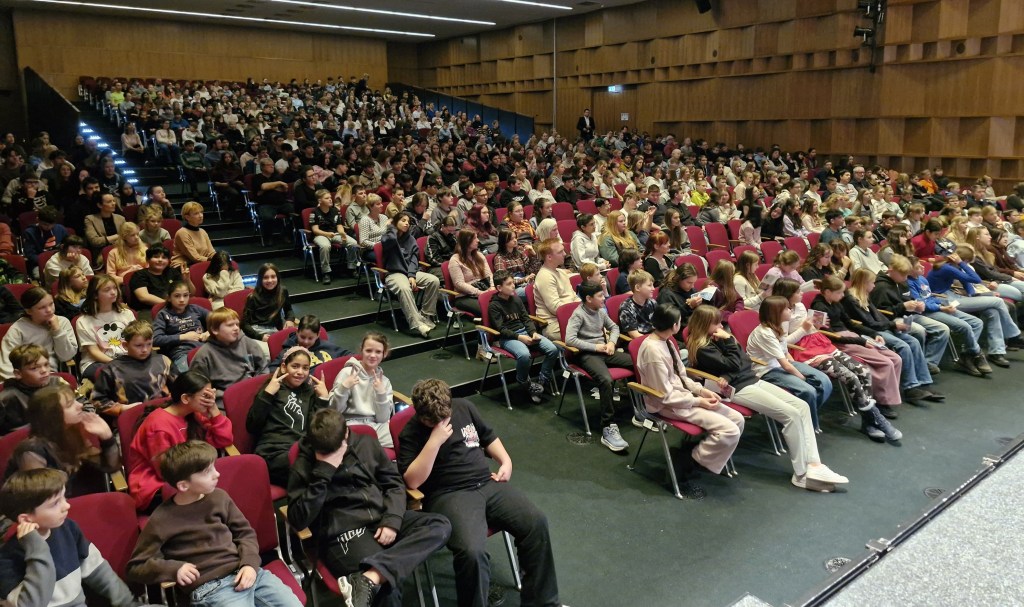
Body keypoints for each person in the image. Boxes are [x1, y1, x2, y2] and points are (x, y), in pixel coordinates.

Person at [398, 378, 565, 607]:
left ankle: (543, 602)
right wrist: (434, 442)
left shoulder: (464, 406)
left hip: (486, 483)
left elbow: (488, 437)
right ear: (421, 416)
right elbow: (413, 481)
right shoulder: (411, 431)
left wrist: (505, 461)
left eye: (446, 416)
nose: (443, 422)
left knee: (536, 523)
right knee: (471, 552)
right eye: (434, 421)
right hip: (449, 495)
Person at [288, 409, 451, 607]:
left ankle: (369, 577)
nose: (330, 455)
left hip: (380, 517)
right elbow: (298, 519)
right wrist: (323, 472)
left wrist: (392, 520)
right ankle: (375, 577)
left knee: (439, 525)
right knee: (387, 589)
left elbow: (394, 484)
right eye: (324, 452)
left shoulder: (366, 444)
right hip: (344, 533)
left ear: (346, 435)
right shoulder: (304, 464)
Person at [685, 305, 849, 490]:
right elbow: (733, 363)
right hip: (737, 389)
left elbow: (744, 361)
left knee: (801, 407)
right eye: (716, 324)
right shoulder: (702, 347)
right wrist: (730, 342)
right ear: (704, 324)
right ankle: (801, 474)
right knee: (791, 415)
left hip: (750, 379)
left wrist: (730, 356)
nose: (721, 327)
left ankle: (814, 464)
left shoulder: (717, 338)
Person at [127, 441, 303, 607]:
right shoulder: (161, 519)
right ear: (183, 486)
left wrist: (249, 563)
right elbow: (136, 566)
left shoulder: (219, 497)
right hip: (211, 588)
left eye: (213, 467)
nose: (216, 474)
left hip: (248, 572)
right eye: (206, 471)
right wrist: (174, 569)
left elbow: (245, 534)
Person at [770, 279, 900, 441]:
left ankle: (869, 422)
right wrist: (804, 329)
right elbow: (784, 342)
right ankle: (876, 419)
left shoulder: (801, 306)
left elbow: (811, 328)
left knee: (863, 371)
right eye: (797, 292)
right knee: (850, 377)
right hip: (803, 351)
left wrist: (816, 325)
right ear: (787, 295)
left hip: (819, 342)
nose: (802, 293)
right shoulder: (780, 313)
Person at [635, 304, 744, 475]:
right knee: (729, 430)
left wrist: (701, 391)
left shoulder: (667, 341)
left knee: (737, 419)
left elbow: (681, 376)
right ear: (674, 326)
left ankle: (700, 455)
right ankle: (687, 460)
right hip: (668, 405)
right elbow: (664, 396)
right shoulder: (653, 352)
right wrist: (699, 401)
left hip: (684, 397)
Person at [0, 468, 135, 607]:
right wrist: (37, 549)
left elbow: (97, 569)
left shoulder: (68, 528)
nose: (67, 506)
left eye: (64, 497)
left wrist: (128, 603)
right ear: (26, 519)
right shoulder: (7, 559)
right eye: (55, 503)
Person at [127, 371, 233, 512]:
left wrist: (214, 410)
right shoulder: (159, 427)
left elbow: (224, 440)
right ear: (185, 398)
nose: (211, 400)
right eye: (205, 396)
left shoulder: (193, 414)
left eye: (211, 394)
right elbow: (166, 472)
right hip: (158, 487)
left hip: (191, 474)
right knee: (217, 501)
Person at [810, 276, 905, 415]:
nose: (843, 296)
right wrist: (862, 342)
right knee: (886, 363)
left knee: (896, 358)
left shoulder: (836, 303)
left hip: (851, 337)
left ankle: (889, 395)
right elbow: (827, 335)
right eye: (839, 293)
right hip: (839, 342)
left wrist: (873, 334)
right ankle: (881, 401)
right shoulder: (818, 307)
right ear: (828, 292)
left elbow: (850, 323)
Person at [846, 268, 943, 403]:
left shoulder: (864, 294)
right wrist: (893, 325)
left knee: (913, 342)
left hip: (881, 327)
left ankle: (924, 382)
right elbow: (869, 323)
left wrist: (892, 324)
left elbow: (877, 315)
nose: (874, 286)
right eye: (872, 283)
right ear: (863, 283)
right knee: (903, 346)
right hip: (869, 332)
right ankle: (910, 388)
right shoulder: (851, 298)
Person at [926, 246, 1023, 368]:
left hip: (952, 297)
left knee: (993, 311)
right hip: (943, 300)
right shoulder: (948, 268)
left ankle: (996, 351)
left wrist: (986, 294)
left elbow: (970, 290)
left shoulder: (952, 266)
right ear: (964, 260)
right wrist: (961, 263)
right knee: (998, 302)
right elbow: (976, 279)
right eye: (967, 262)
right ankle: (1014, 335)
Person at [246, 346, 330, 487]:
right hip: (273, 453)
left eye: (305, 368)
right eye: (295, 366)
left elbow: (316, 429)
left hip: (300, 450)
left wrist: (323, 399)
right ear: (284, 367)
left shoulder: (309, 392)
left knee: (335, 462)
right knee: (319, 473)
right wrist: (267, 394)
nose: (300, 372)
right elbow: (252, 425)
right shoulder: (273, 388)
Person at [565, 282, 634, 451]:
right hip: (586, 354)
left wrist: (611, 342)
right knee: (605, 379)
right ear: (589, 299)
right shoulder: (578, 315)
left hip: (604, 350)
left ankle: (639, 407)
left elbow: (614, 327)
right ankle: (608, 427)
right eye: (600, 296)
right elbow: (570, 340)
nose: (604, 298)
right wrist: (595, 347)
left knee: (637, 362)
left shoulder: (600, 311)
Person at [871, 255, 950, 374]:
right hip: (893, 318)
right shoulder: (881, 287)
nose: (905, 278)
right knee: (919, 331)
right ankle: (919, 365)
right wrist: (904, 306)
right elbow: (881, 312)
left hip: (909, 314)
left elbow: (909, 298)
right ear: (891, 270)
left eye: (906, 275)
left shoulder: (902, 282)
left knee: (943, 329)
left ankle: (927, 363)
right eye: (902, 275)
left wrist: (918, 304)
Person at [488, 270, 559, 402]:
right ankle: (524, 382)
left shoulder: (516, 299)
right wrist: (520, 338)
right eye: (509, 284)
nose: (513, 286)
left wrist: (533, 333)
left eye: (512, 283)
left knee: (553, 349)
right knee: (524, 355)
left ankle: (542, 381)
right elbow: (501, 329)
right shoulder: (494, 306)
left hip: (525, 333)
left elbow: (526, 319)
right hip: (508, 338)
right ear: (499, 288)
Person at [91, 319, 173, 416]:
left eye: (149, 344)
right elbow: (98, 400)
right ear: (125, 345)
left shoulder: (164, 360)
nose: (145, 350)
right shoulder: (111, 369)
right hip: (131, 417)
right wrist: (121, 408)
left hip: (163, 414)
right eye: (138, 345)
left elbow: (180, 388)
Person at [329, 332, 397, 449]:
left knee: (403, 437)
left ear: (384, 354)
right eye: (368, 350)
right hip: (350, 425)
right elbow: (334, 411)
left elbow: (383, 419)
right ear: (361, 351)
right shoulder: (347, 373)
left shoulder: (384, 382)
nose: (373, 355)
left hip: (376, 426)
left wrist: (381, 394)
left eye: (378, 352)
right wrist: (344, 388)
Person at [381, 212, 440, 338]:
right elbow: (390, 241)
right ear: (395, 222)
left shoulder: (411, 239)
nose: (407, 223)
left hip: (409, 272)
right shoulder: (388, 236)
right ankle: (417, 324)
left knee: (433, 280)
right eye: (403, 220)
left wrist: (411, 275)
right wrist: (391, 227)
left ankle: (425, 315)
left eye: (408, 221)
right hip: (394, 273)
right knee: (404, 288)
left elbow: (414, 259)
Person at [0, 287, 77, 381]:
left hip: (50, 375)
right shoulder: (18, 329)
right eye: (42, 307)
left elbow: (66, 356)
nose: (49, 310)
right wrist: (19, 383)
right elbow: (6, 364)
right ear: (29, 311)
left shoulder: (62, 322)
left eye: (51, 304)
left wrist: (57, 331)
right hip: (26, 379)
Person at [0, 344, 66, 435]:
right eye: (34, 368)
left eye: (46, 365)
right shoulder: (6, 399)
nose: (44, 370)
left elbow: (82, 403)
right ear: (18, 373)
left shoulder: (58, 382)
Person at [152, 282, 209, 373]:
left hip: (204, 348)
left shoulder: (195, 309)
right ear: (169, 298)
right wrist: (183, 337)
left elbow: (218, 320)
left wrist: (209, 332)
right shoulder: (163, 314)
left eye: (185, 295)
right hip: (181, 352)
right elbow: (155, 339)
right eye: (177, 296)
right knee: (193, 379)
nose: (182, 300)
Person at [311, 188, 359, 284]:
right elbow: (315, 230)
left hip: (335, 234)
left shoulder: (335, 211)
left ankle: (351, 267)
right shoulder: (314, 212)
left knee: (353, 243)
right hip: (321, 235)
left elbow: (339, 226)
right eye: (327, 198)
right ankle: (326, 272)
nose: (330, 199)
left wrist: (342, 233)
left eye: (330, 197)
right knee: (325, 246)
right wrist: (327, 234)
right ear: (320, 201)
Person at [533, 238, 577, 340]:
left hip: (571, 317)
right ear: (549, 257)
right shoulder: (545, 276)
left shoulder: (561, 272)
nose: (565, 254)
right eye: (560, 252)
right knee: (591, 332)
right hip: (554, 324)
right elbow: (556, 308)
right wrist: (579, 311)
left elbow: (574, 296)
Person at [242, 263, 295, 343]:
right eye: (265, 277)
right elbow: (244, 323)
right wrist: (259, 337)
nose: (270, 280)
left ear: (277, 277)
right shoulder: (252, 297)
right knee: (269, 353)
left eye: (273, 277)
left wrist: (290, 319)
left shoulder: (282, 291)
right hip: (258, 331)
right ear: (260, 279)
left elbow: (288, 310)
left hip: (276, 329)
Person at [448, 229, 494, 318]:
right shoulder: (455, 260)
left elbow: (489, 275)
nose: (478, 240)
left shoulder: (479, 255)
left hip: (485, 289)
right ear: (466, 241)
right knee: (490, 309)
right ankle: (491, 331)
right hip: (465, 297)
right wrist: (480, 293)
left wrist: (492, 287)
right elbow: (459, 284)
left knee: (504, 304)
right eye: (475, 238)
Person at [129, 245, 187, 310]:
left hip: (173, 308)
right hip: (147, 310)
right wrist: (170, 304)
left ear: (168, 261)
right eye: (156, 257)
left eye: (164, 257)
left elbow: (189, 293)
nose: (160, 260)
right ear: (147, 260)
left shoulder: (172, 272)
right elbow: (143, 297)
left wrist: (187, 279)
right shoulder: (139, 275)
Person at [22, 205, 67, 279]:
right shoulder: (30, 232)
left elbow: (67, 246)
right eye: (45, 224)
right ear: (38, 220)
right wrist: (47, 261)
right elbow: (30, 255)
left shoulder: (61, 229)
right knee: (40, 276)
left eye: (52, 225)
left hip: (60, 260)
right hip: (39, 263)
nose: (48, 227)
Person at [171, 202, 216, 270]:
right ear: (187, 217)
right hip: (183, 266)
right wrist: (214, 260)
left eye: (201, 212)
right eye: (196, 213)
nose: (201, 215)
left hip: (200, 263)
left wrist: (219, 258)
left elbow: (211, 252)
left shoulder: (202, 231)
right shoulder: (182, 233)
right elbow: (194, 257)